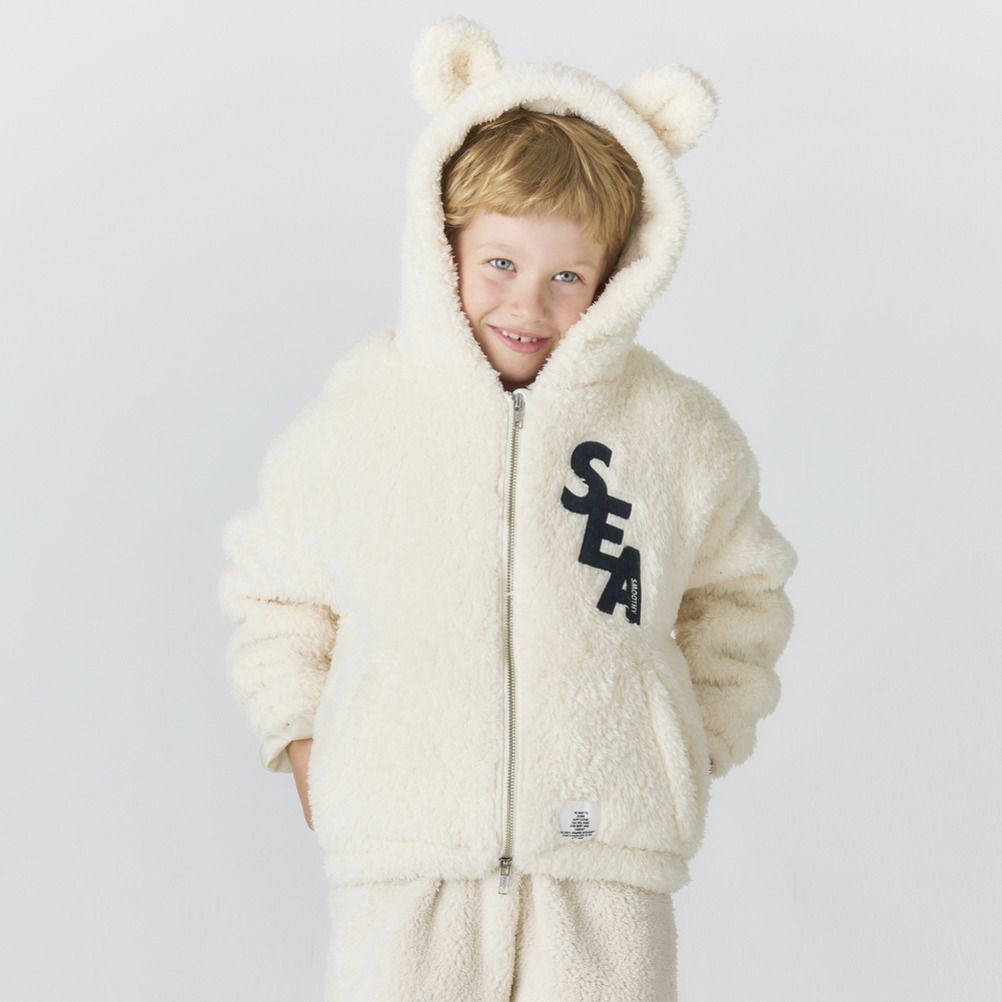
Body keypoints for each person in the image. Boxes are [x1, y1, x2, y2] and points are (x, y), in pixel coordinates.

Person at [218, 15, 798, 1002]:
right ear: (442, 246)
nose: (529, 304)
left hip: (603, 866)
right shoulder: (359, 420)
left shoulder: (674, 433)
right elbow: (276, 598)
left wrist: (684, 744)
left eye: (567, 276)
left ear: (618, 278)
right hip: (404, 860)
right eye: (500, 264)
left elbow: (742, 592)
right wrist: (308, 745)